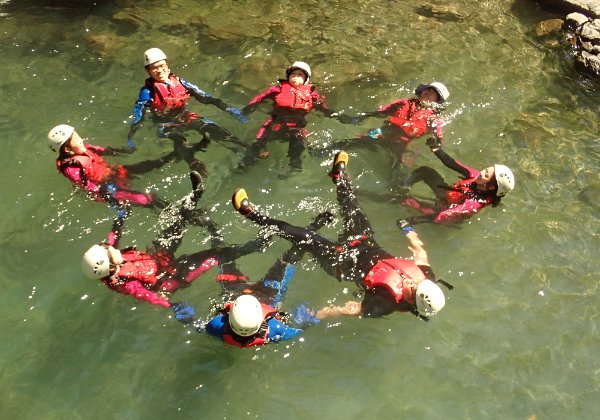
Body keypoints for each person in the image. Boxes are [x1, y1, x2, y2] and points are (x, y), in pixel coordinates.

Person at [231, 151, 449, 320]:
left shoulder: (384, 304)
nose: (412, 283)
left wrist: (316, 315)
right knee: (353, 208)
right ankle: (339, 177)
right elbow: (421, 255)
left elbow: (351, 309)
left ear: (414, 302)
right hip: (366, 243)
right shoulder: (425, 276)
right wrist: (410, 233)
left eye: (414, 289)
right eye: (417, 283)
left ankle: (252, 214)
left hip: (341, 261)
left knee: (303, 236)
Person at [81, 171, 267, 313]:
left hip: (157, 259)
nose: (107, 245)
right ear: (109, 266)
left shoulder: (111, 256)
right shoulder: (124, 282)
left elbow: (114, 235)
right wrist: (173, 306)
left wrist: (120, 217)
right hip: (170, 277)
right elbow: (149, 296)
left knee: (177, 224)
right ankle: (257, 245)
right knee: (214, 256)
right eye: (106, 250)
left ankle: (195, 196)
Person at [176, 211, 333, 348]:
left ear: (229, 317)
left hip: (235, 291)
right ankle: (313, 228)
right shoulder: (277, 331)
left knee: (222, 257)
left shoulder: (216, 327)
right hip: (269, 292)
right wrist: (306, 320)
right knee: (291, 255)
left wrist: (185, 315)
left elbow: (198, 326)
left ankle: (210, 225)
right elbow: (299, 329)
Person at [127, 47, 247, 175]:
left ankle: (245, 148)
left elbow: (205, 97)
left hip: (183, 116)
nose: (159, 70)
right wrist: (131, 136)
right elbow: (139, 115)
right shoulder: (147, 93)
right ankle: (194, 163)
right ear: (148, 71)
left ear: (167, 66)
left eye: (161, 65)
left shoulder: (181, 83)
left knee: (212, 128)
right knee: (180, 140)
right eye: (154, 68)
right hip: (164, 124)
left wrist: (228, 109)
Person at [239, 61, 353, 171]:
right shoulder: (277, 89)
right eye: (293, 74)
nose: (295, 77)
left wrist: (340, 117)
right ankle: (247, 162)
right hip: (276, 123)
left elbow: (325, 109)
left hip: (297, 127)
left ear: (306, 79)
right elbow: (259, 98)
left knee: (298, 145)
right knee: (259, 142)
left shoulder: (312, 95)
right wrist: (247, 110)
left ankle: (294, 165)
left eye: (300, 75)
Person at [48, 124, 170, 209]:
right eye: (77, 139)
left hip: (111, 173)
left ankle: (171, 157)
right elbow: (89, 186)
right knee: (142, 198)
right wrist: (109, 198)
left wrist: (120, 151)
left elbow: (99, 150)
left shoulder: (82, 148)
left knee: (144, 166)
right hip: (106, 188)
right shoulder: (70, 168)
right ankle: (169, 208)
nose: (81, 140)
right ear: (68, 149)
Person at [396, 137, 515, 225]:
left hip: (445, 213)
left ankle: (399, 198)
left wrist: (415, 220)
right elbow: (451, 163)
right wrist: (436, 148)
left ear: (490, 187)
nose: (482, 172)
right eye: (486, 170)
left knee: (403, 201)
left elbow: (445, 215)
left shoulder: (475, 203)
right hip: (447, 196)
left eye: (486, 174)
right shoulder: (475, 176)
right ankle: (403, 188)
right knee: (426, 171)